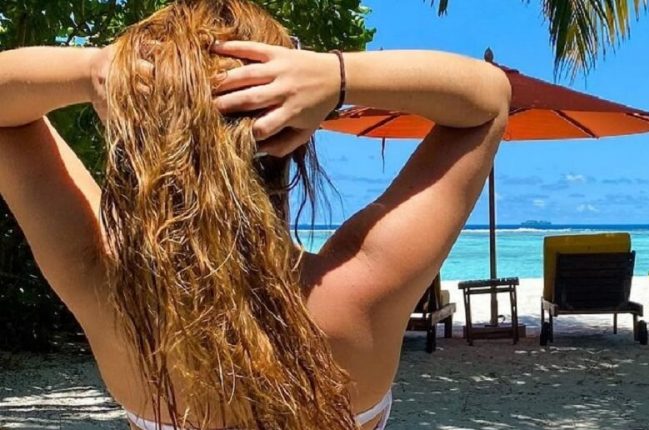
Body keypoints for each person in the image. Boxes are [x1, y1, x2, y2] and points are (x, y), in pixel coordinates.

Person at [0, 1, 511, 429]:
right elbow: (488, 101)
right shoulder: (362, 289)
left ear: (144, 142)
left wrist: (93, 69)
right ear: (293, 136)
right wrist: (337, 75)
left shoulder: (109, 292)